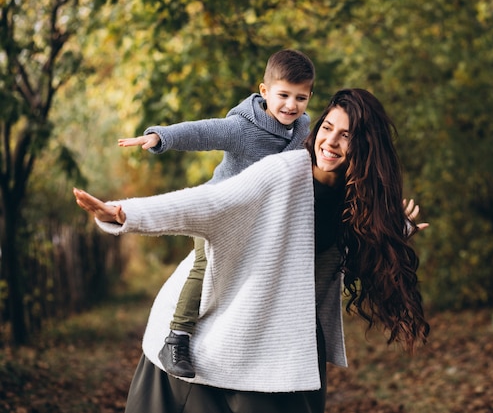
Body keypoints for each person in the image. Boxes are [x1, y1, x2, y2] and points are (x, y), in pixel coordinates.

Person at [74, 88, 430, 413]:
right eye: (326, 128)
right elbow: (208, 203)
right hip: (222, 324)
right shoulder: (283, 172)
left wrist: (394, 232)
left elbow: (357, 252)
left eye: (346, 135)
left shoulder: (354, 199)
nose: (330, 141)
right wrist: (126, 214)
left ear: (366, 147)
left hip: (286, 336)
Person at [117, 49, 315, 378]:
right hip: (219, 209)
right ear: (265, 92)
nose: (291, 105)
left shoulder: (302, 130)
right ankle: (177, 338)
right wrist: (160, 136)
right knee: (203, 266)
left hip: (258, 222)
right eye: (283, 95)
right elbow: (202, 132)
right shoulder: (242, 128)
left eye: (301, 97)